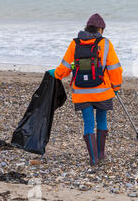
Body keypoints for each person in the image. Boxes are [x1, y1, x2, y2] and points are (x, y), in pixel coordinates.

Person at [47, 13, 123, 166]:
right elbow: (115, 69)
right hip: (102, 92)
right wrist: (116, 87)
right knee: (101, 120)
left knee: (88, 123)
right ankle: (101, 154)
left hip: (81, 93)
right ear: (100, 29)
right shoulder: (105, 44)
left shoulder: (75, 44)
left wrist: (54, 73)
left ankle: (93, 159)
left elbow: (65, 67)